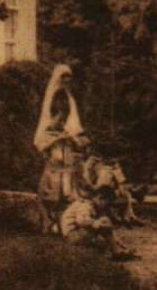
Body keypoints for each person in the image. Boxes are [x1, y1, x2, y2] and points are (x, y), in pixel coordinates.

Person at [33, 64, 88, 235]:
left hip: (66, 152)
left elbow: (72, 124)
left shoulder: (69, 98)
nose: (67, 81)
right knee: (51, 188)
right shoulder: (54, 98)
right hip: (56, 152)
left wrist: (72, 135)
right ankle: (48, 221)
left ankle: (60, 222)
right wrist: (60, 134)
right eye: (64, 78)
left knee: (67, 187)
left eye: (68, 78)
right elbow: (49, 126)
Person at [60, 187, 135, 260]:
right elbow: (81, 221)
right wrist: (97, 223)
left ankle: (115, 248)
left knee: (104, 221)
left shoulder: (91, 204)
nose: (105, 206)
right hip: (72, 235)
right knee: (103, 223)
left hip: (76, 232)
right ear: (100, 198)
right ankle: (115, 250)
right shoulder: (85, 205)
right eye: (106, 203)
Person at [80, 150, 145, 227]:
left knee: (125, 193)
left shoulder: (101, 168)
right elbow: (100, 185)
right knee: (124, 193)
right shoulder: (99, 168)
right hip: (95, 193)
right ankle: (128, 215)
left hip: (101, 191)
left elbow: (104, 185)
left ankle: (128, 215)